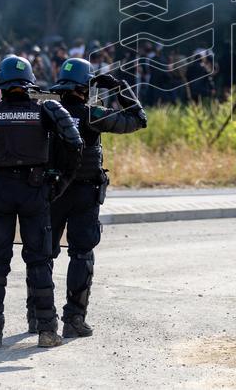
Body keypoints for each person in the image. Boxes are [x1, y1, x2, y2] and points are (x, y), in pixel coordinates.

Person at [0, 55, 83, 349]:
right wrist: (60, 184)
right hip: (35, 191)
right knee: (39, 260)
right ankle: (47, 330)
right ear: (30, 83)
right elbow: (76, 145)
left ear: (2, 84)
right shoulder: (47, 109)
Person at [41, 59, 147, 338]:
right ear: (85, 87)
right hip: (84, 194)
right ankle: (74, 319)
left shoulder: (46, 111)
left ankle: (39, 317)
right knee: (81, 255)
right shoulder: (92, 114)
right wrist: (121, 88)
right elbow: (138, 120)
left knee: (42, 256)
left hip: (52, 192)